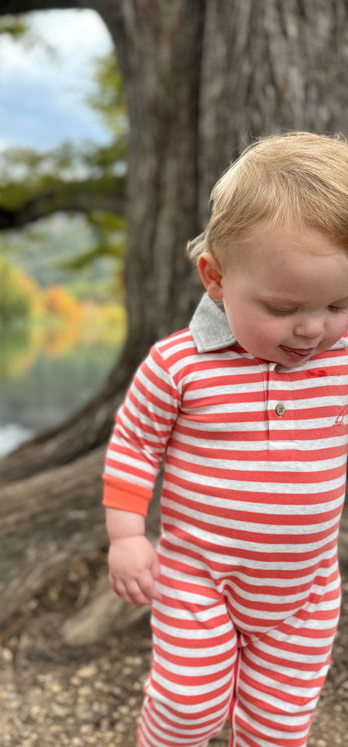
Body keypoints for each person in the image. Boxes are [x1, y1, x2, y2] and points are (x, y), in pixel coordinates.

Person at [103, 131, 348, 747]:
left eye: (340, 304)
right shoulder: (180, 366)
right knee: (188, 705)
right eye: (284, 307)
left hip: (305, 589)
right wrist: (127, 537)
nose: (314, 329)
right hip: (199, 577)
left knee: (279, 725)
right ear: (215, 278)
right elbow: (134, 446)